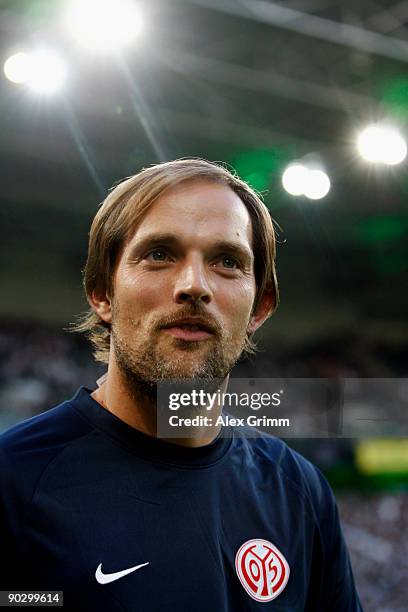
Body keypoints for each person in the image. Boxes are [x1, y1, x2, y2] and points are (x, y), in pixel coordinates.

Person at [0, 159, 362, 611]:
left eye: (227, 262)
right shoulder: (14, 482)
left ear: (259, 309)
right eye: (159, 254)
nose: (194, 285)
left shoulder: (299, 490)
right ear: (102, 293)